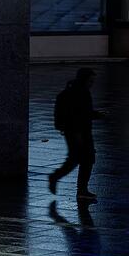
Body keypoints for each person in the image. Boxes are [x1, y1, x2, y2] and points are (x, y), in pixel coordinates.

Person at [49, 67, 105, 201]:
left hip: (76, 131)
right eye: (90, 81)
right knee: (85, 159)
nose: (92, 84)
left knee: (79, 159)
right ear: (84, 80)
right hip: (79, 132)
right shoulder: (81, 94)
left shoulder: (75, 91)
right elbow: (79, 115)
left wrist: (96, 114)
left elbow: (82, 113)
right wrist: (95, 115)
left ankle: (78, 188)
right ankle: (80, 189)